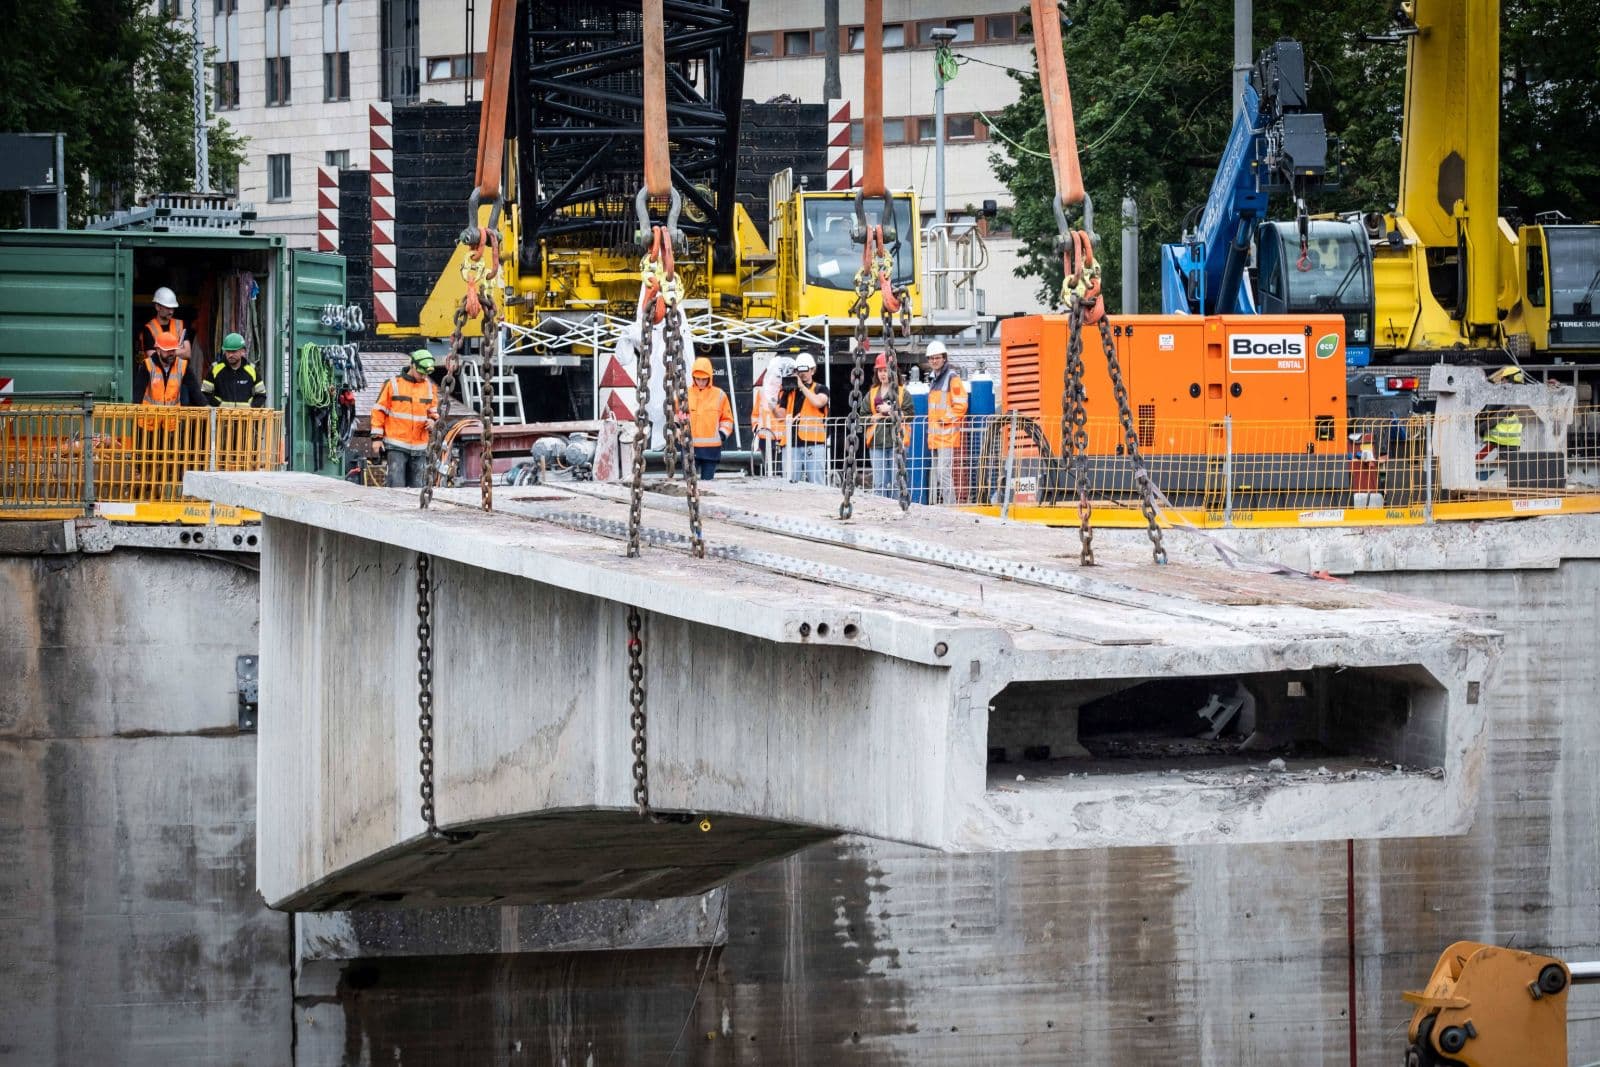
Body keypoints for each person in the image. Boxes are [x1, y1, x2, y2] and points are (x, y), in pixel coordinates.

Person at [370, 350, 440, 488]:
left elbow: (433, 412)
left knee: (418, 487)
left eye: (426, 374)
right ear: (412, 366)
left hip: (420, 447)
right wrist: (377, 438)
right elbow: (378, 411)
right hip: (397, 445)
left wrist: (432, 421)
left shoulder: (430, 388)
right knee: (396, 486)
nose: (423, 376)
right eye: (421, 373)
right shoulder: (393, 384)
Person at [860, 352, 913, 496]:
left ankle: (898, 509)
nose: (883, 374)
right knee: (879, 483)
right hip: (877, 442)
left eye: (886, 370)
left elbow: (909, 416)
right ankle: (880, 511)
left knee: (897, 482)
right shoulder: (871, 394)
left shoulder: (903, 393)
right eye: (880, 370)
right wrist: (873, 418)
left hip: (898, 442)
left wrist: (890, 411)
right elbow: (861, 417)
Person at [924, 340, 968, 504]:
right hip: (936, 437)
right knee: (939, 473)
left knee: (943, 472)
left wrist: (945, 419)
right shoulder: (934, 379)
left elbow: (961, 404)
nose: (934, 361)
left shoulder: (952, 378)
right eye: (931, 358)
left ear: (944, 358)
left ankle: (950, 506)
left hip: (946, 435)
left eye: (937, 357)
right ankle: (947, 505)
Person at [778, 352, 829, 485]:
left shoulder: (820, 389)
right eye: (798, 371)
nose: (802, 374)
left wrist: (801, 386)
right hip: (791, 443)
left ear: (813, 370)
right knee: (790, 484)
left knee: (817, 484)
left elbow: (818, 402)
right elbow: (780, 415)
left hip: (814, 443)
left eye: (805, 370)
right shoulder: (789, 391)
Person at [686, 356, 733, 481]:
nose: (701, 382)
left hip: (711, 450)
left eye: (704, 379)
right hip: (690, 448)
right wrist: (680, 430)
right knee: (689, 485)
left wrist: (721, 435)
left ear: (709, 378)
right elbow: (678, 415)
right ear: (693, 378)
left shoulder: (719, 395)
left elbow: (727, 420)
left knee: (708, 485)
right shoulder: (685, 394)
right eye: (698, 379)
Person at [203, 333, 266, 409]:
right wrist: (218, 405)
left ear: (243, 351)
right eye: (228, 351)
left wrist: (252, 407)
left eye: (234, 351)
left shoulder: (251, 369)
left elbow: (261, 394)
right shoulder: (215, 368)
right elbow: (204, 393)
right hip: (222, 418)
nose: (230, 355)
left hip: (245, 418)